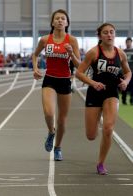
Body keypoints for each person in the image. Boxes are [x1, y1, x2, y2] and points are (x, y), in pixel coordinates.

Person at [75, 23, 131, 175]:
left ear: (115, 34)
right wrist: (93, 83)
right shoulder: (93, 53)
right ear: (100, 36)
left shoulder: (120, 54)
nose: (109, 35)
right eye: (105, 32)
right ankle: (97, 116)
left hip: (111, 93)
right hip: (94, 93)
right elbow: (79, 73)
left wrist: (125, 82)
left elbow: (128, 72)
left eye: (112, 32)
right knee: (91, 135)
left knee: (108, 129)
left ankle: (101, 163)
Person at [32, 9, 81, 161]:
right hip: (50, 79)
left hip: (65, 80)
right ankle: (51, 132)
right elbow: (35, 54)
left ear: (67, 23)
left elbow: (79, 65)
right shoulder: (45, 40)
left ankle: (58, 148)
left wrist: (71, 53)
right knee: (48, 113)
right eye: (57, 18)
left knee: (62, 120)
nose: (60, 20)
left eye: (63, 19)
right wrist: (35, 68)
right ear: (52, 22)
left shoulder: (72, 40)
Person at [121, 37, 133, 105]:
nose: (128, 43)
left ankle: (131, 100)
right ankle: (124, 100)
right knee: (124, 86)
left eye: (130, 42)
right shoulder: (123, 51)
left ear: (131, 42)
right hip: (124, 72)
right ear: (126, 43)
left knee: (132, 87)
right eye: (127, 42)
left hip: (132, 72)